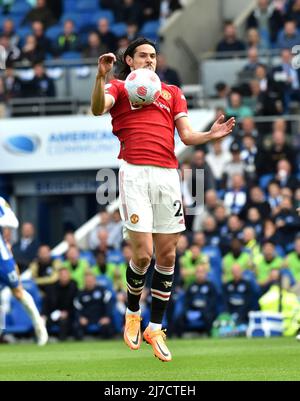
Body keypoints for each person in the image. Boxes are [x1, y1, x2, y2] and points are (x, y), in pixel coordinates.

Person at [90, 37, 235, 362]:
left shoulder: (172, 92)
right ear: (129, 61)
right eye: (143, 55)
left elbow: (185, 136)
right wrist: (100, 77)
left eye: (153, 56)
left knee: (167, 255)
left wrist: (210, 135)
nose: (150, 60)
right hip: (135, 173)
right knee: (143, 256)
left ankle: (155, 326)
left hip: (168, 175)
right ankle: (132, 312)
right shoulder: (119, 87)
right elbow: (98, 108)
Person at [0, 197, 48, 345]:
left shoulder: (0, 201)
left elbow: (13, 222)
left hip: (3, 259)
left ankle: (40, 329)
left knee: (18, 292)